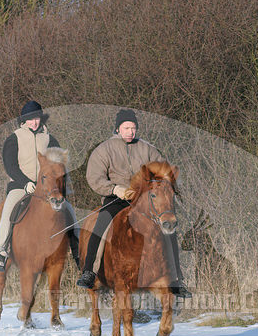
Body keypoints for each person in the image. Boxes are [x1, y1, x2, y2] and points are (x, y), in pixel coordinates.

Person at [76, 108, 191, 297]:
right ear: (118, 129)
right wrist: (115, 189)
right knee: (101, 223)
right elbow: (94, 177)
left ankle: (176, 278)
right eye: (127, 127)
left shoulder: (146, 148)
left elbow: (163, 170)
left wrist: (162, 184)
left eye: (133, 128)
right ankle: (90, 271)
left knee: (168, 228)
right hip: (116, 197)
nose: (131, 131)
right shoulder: (104, 149)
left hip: (144, 200)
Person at [0, 100, 79, 271]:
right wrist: (25, 183)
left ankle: (77, 250)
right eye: (30, 119)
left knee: (69, 209)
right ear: (23, 121)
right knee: (9, 206)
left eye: (37, 118)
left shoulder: (49, 138)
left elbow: (59, 165)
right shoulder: (14, 139)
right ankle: (0, 249)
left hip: (47, 187)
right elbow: (10, 166)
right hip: (20, 185)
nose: (34, 122)